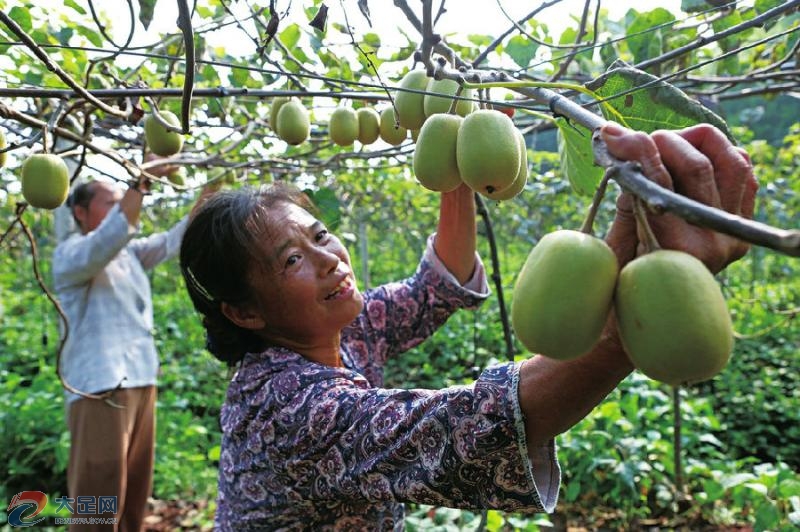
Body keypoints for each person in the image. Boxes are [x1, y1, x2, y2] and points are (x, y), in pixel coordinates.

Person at [178, 121, 757, 530]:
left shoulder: (341, 330)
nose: (329, 258)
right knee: (99, 488)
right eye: (292, 259)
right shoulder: (281, 403)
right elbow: (458, 431)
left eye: (321, 235)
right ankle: (90, 516)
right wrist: (635, 315)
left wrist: (460, 156)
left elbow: (436, 287)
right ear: (244, 312)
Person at [52, 160, 214, 532]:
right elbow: (109, 239)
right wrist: (139, 184)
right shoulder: (72, 255)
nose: (119, 206)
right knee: (99, 486)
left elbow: (173, 240)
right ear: (80, 212)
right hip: (100, 384)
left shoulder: (128, 256)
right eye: (109, 202)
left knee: (135, 483)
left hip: (140, 378)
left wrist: (209, 195)